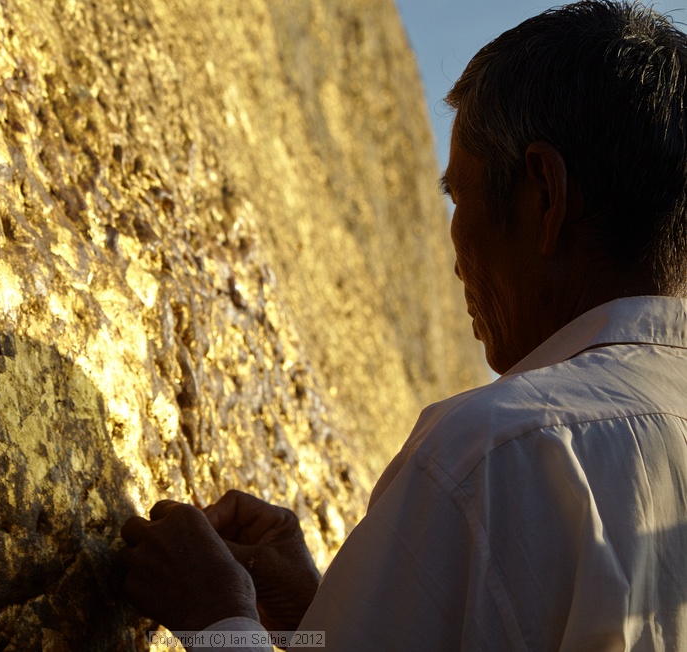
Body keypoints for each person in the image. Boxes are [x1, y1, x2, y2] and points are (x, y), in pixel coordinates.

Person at [118, 1, 687, 649]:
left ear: (543, 196)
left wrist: (216, 618)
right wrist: (321, 619)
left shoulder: (495, 454)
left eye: (459, 197)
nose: (452, 259)